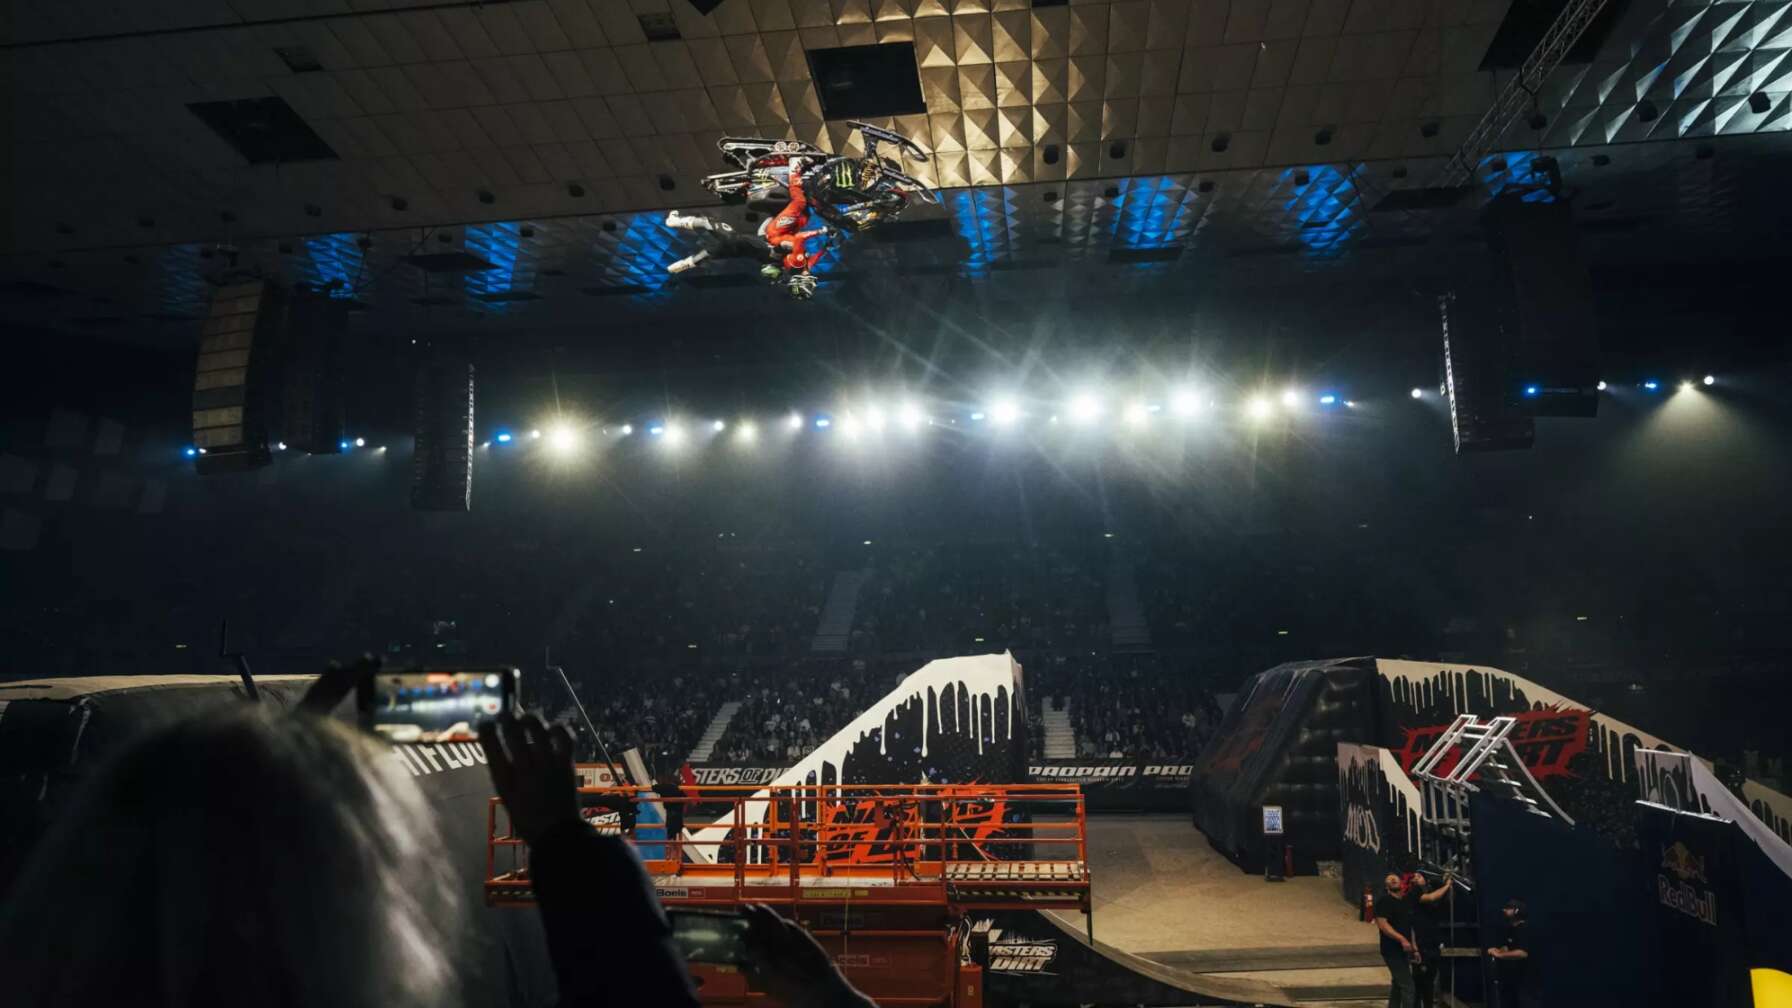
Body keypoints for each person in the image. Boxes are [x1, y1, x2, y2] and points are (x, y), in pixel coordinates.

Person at [1405, 871, 1455, 1008]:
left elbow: (1442, 898)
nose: (1415, 878)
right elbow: (1432, 898)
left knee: (1429, 982)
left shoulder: (1429, 890)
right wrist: (1447, 885)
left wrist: (1446, 883)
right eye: (1414, 876)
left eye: (1419, 876)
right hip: (1421, 944)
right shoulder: (1414, 892)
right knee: (1419, 982)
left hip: (1432, 943)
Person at [1375, 873, 1420, 1008]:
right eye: (1389, 879)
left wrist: (1415, 948)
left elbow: (1409, 927)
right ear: (1387, 886)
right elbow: (1383, 925)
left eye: (1395, 878)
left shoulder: (1405, 902)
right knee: (1408, 987)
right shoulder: (1384, 901)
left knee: (1398, 984)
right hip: (1391, 950)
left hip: (1403, 950)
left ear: (1401, 883)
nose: (1393, 879)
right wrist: (1401, 939)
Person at [1485, 898, 1530, 1008]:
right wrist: (1498, 950)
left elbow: (1522, 953)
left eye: (1508, 908)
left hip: (1527, 983)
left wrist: (1499, 955)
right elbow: (1507, 947)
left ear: (1517, 911)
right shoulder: (1510, 929)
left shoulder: (1525, 929)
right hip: (1512, 981)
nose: (1504, 910)